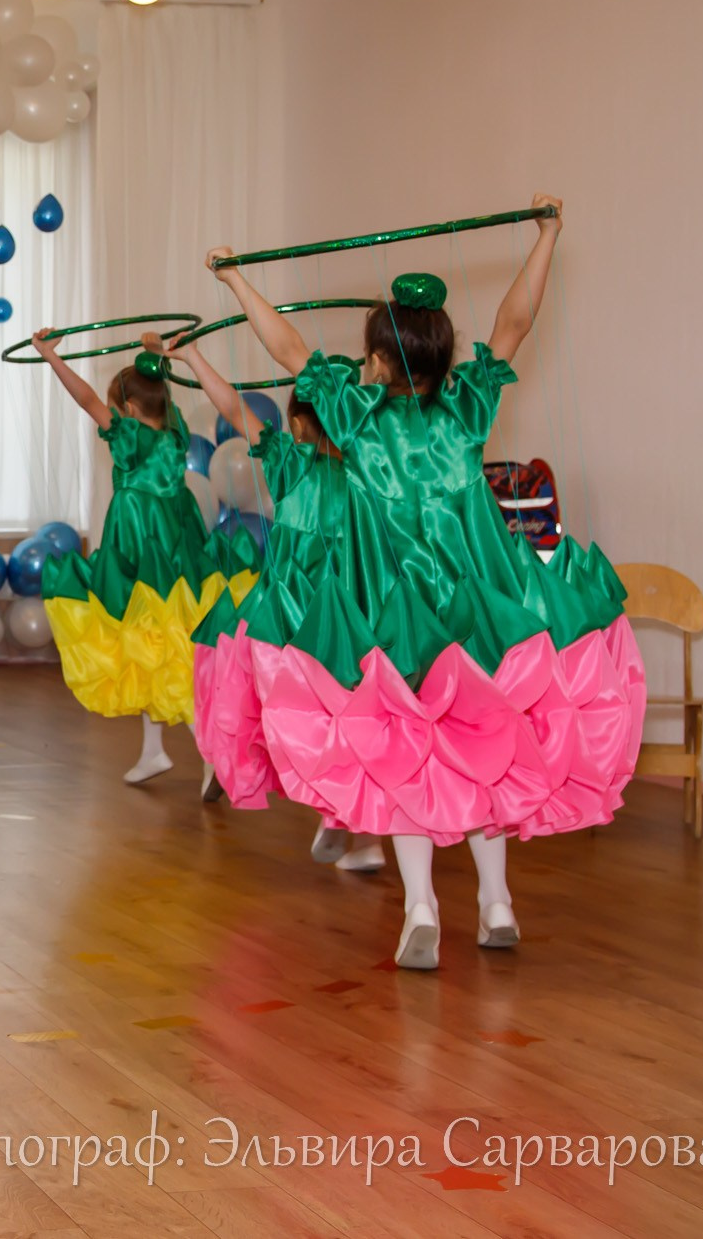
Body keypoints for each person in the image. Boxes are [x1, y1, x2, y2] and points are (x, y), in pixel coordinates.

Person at [203, 196, 645, 969]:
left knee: (406, 758)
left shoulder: (355, 416)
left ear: (378, 359)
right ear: (442, 356)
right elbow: (515, 322)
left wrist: (236, 280)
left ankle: (420, 906)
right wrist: (547, 236)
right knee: (482, 745)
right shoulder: (467, 406)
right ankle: (497, 900)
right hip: (476, 606)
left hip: (393, 612)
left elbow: (290, 347)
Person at [159, 332, 385, 873]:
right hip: (357, 609)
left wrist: (191, 356)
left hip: (295, 612)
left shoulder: (289, 459)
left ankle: (337, 813)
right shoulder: (368, 467)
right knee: (357, 713)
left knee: (290, 712)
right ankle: (364, 832)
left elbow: (232, 408)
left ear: (299, 426)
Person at [31, 330, 252, 784]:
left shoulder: (128, 436)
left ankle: (209, 749)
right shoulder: (175, 434)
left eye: (115, 408)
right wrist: (157, 360)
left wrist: (51, 357)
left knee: (154, 642)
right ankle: (153, 751)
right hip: (176, 548)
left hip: (139, 547)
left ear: (128, 409)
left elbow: (85, 399)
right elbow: (153, 395)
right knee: (152, 643)